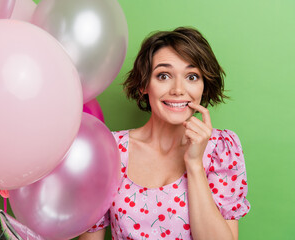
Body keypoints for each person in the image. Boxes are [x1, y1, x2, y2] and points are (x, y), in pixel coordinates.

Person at [79, 27, 250, 240]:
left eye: (192, 76)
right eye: (164, 75)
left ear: (204, 86)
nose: (178, 89)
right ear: (144, 84)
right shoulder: (109, 149)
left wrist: (195, 165)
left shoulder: (221, 149)